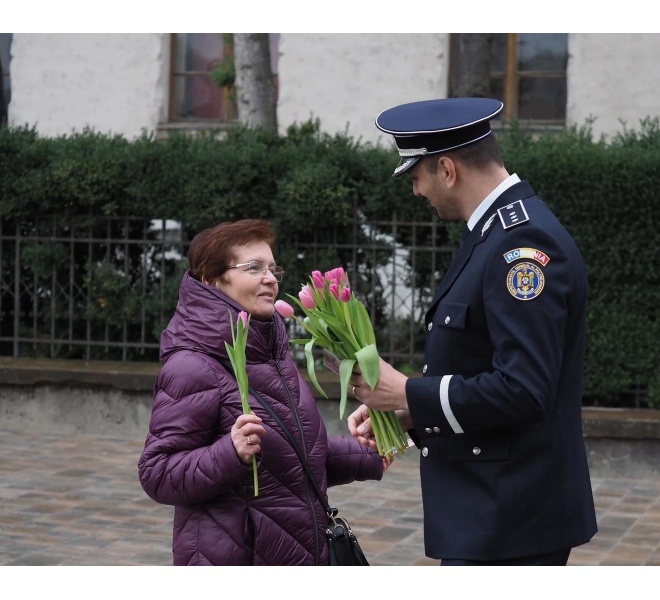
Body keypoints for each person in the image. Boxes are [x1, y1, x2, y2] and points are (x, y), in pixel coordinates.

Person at [347, 98, 597, 566]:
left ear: (447, 170)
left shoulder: (521, 244)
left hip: (511, 519)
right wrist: (408, 413)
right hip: (494, 512)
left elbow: (523, 389)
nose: (416, 191)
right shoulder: (494, 232)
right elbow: (479, 363)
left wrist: (407, 392)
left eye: (415, 177)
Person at [138, 219, 387, 566]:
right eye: (254, 267)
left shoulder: (274, 355)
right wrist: (231, 453)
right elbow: (158, 473)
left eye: (273, 269)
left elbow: (293, 459)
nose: (270, 278)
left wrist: (370, 453)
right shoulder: (191, 367)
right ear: (211, 279)